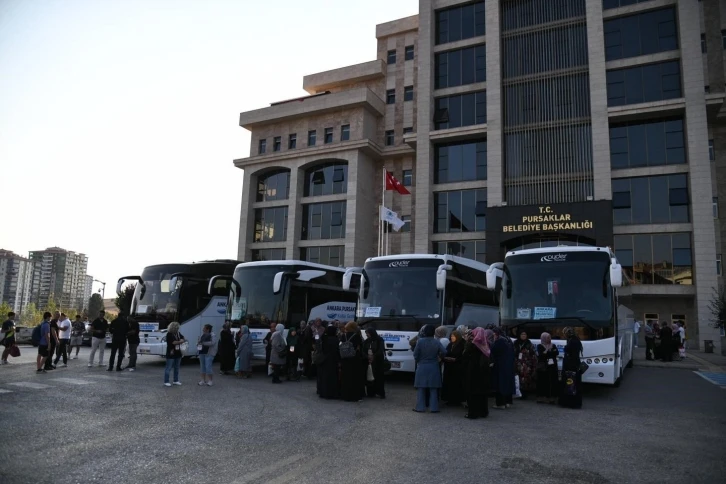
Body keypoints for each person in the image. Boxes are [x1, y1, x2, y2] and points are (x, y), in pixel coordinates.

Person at [413, 324, 445, 413]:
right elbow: (444, 352)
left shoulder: (420, 341)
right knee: (433, 388)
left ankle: (420, 407)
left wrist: (420, 360)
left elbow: (415, 355)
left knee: (421, 388)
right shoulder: (437, 342)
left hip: (422, 366)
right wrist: (439, 358)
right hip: (434, 366)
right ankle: (434, 408)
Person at [462, 327, 490, 419]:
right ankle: (483, 412)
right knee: (482, 392)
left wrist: (467, 341)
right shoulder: (486, 344)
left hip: (473, 370)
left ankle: (473, 413)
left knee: (472, 392)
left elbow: (465, 354)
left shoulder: (473, 344)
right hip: (483, 371)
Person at [559, 327, 583, 409]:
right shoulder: (576, 340)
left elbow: (570, 354)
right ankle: (574, 403)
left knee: (570, 384)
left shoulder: (572, 341)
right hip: (575, 365)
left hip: (570, 366)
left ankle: (570, 403)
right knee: (574, 384)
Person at [491, 327, 515, 409]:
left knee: (500, 384)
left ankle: (500, 403)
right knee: (507, 383)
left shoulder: (499, 341)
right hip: (508, 365)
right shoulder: (508, 339)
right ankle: (508, 402)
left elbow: (493, 351)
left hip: (500, 365)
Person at [340, 322, 364, 402]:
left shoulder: (343, 335)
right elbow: (360, 347)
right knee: (354, 378)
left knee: (346, 377)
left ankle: (345, 395)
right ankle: (355, 396)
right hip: (354, 359)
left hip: (345, 359)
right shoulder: (356, 336)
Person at [441, 330, 465, 406]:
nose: (452, 337)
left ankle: (457, 400)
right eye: (451, 336)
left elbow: (463, 356)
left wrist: (456, 359)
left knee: (456, 384)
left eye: (453, 336)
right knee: (449, 383)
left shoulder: (462, 344)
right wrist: (445, 358)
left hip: (457, 368)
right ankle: (449, 399)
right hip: (449, 367)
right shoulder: (450, 344)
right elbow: (446, 352)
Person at [318, 325, 341, 399]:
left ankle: (324, 392)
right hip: (333, 360)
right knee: (333, 377)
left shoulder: (324, 338)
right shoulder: (335, 339)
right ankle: (333, 393)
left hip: (325, 360)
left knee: (325, 377)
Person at [535, 332, 559, 404]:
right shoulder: (540, 346)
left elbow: (556, 353)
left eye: (550, 337)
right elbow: (541, 355)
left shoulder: (553, 345)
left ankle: (552, 398)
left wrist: (548, 352)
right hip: (544, 367)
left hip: (552, 366)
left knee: (552, 382)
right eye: (547, 337)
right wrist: (549, 351)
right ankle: (542, 398)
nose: (549, 339)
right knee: (543, 382)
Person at [362, 328, 386, 399]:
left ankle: (380, 392)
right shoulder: (367, 341)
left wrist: (374, 356)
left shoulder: (379, 340)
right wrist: (367, 357)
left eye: (368, 333)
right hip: (369, 362)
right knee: (370, 377)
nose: (367, 335)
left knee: (379, 377)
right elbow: (363, 350)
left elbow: (380, 349)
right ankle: (371, 393)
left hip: (378, 362)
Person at [513, 330, 537, 399]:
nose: (523, 336)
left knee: (525, 379)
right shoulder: (516, 343)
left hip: (526, 364)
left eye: (525, 334)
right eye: (522, 334)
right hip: (517, 363)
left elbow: (533, 354)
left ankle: (524, 394)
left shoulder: (529, 343)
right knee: (518, 378)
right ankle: (517, 392)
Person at [163, 322, 185, 387]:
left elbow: (183, 338)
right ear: (174, 328)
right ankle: (166, 381)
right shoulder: (169, 334)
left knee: (177, 367)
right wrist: (180, 341)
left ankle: (176, 380)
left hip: (178, 353)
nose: (178, 329)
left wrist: (182, 339)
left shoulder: (178, 333)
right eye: (177, 328)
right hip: (171, 353)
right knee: (168, 368)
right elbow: (173, 342)